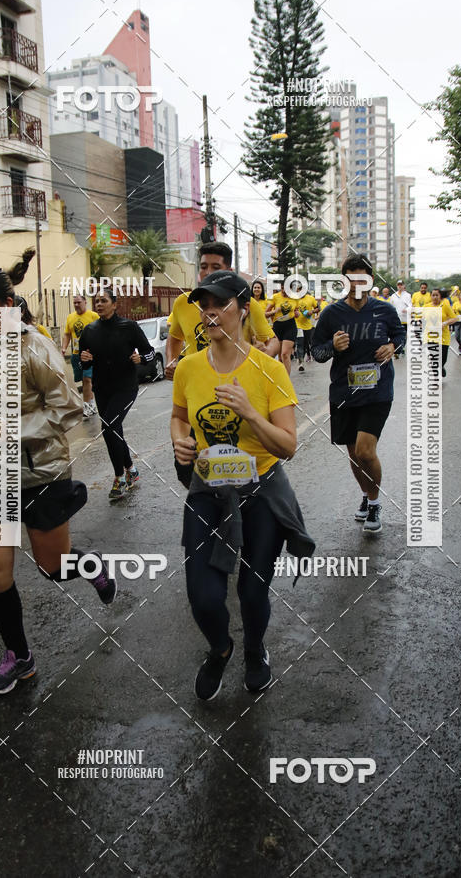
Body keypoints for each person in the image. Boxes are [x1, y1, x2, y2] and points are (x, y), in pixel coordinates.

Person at [0, 267, 115, 695]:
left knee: (53, 568)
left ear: (8, 306)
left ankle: (92, 566)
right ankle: (20, 657)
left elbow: (69, 411)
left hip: (40, 476)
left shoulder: (36, 348)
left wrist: (9, 430)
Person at [171, 270, 314, 700]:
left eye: (219, 303)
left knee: (252, 592)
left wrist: (251, 414)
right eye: (203, 305)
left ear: (242, 308)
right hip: (207, 491)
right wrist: (179, 440)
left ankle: (254, 648)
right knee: (204, 596)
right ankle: (220, 648)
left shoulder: (269, 370)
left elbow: (288, 446)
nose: (210, 311)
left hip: (260, 493)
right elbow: (179, 416)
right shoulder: (190, 368)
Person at [311, 255, 406, 534]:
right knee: (353, 454)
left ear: (371, 281)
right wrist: (333, 346)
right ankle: (366, 495)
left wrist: (392, 348)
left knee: (366, 449)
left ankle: (375, 502)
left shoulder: (385, 310)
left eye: (361, 279)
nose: (356, 284)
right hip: (344, 392)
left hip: (377, 391)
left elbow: (400, 336)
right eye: (350, 279)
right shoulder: (331, 313)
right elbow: (317, 352)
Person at [79, 287, 154, 502]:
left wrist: (142, 359)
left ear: (114, 304)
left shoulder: (129, 327)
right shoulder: (89, 330)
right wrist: (84, 358)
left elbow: (148, 352)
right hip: (102, 387)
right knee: (114, 429)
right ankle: (131, 468)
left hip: (126, 387)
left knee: (109, 427)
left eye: (103, 300)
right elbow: (84, 358)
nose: (99, 304)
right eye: (97, 300)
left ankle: (119, 477)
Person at [165, 242, 277, 381]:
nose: (207, 272)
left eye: (216, 267)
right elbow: (175, 337)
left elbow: (272, 341)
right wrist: (171, 361)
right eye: (204, 267)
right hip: (197, 383)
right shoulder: (183, 302)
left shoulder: (244, 303)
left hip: (238, 383)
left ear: (228, 272)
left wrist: (266, 353)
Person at [62, 295, 99, 419]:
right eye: (74, 303)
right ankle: (92, 404)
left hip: (90, 354)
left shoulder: (93, 316)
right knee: (83, 380)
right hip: (76, 354)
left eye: (79, 302)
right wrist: (63, 348)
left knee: (87, 379)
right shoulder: (70, 317)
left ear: (85, 302)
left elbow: (102, 330)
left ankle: (87, 406)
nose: (76, 305)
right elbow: (67, 334)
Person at [266, 282, 301, 375]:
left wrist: (297, 314)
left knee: (285, 354)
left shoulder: (294, 298)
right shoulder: (275, 297)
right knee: (280, 358)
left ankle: (287, 382)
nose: (284, 291)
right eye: (282, 288)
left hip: (290, 326)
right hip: (277, 326)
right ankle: (281, 378)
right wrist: (275, 311)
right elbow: (265, 314)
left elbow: (297, 312)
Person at [424, 288, 457, 377]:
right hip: (430, 336)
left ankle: (441, 367)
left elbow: (454, 318)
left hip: (443, 336)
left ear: (440, 296)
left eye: (436, 295)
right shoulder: (426, 307)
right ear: (430, 296)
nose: (435, 297)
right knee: (433, 357)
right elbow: (421, 319)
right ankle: (435, 377)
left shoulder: (445, 306)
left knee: (443, 359)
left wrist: (445, 323)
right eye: (433, 295)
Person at [294, 285, 317, 370]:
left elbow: (318, 308)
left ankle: (301, 359)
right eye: (299, 290)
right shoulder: (294, 299)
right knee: (300, 343)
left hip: (308, 326)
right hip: (297, 325)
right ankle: (300, 363)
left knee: (305, 344)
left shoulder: (311, 298)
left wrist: (312, 312)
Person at [389, 279, 411, 358]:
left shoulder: (407, 295)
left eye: (401, 285)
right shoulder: (393, 296)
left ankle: (401, 348)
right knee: (396, 335)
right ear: (397, 286)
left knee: (404, 336)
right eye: (398, 285)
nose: (400, 286)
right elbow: (390, 306)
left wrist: (407, 309)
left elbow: (410, 306)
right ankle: (398, 350)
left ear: (404, 286)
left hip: (405, 320)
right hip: (396, 320)